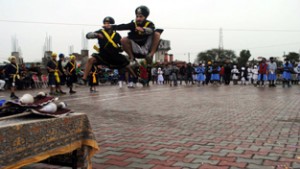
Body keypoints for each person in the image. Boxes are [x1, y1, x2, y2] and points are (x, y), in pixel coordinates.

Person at [83, 16, 135, 81]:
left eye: (108, 23)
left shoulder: (116, 35)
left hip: (115, 55)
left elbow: (122, 45)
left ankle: (135, 77)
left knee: (127, 65)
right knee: (90, 60)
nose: (106, 25)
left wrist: (122, 48)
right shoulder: (100, 32)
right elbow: (88, 35)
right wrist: (96, 35)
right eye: (105, 23)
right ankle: (84, 78)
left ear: (112, 25)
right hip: (103, 55)